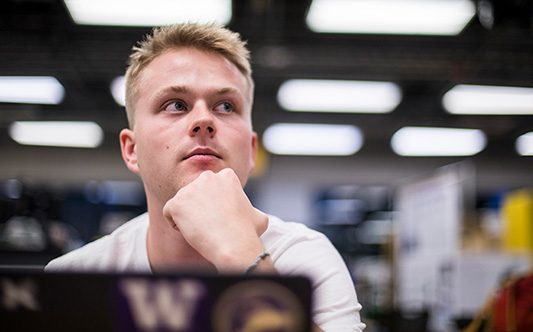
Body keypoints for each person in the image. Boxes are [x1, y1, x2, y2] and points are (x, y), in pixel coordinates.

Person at [45, 23, 365, 331]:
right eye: (175, 104)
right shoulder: (74, 279)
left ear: (252, 151)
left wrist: (241, 256)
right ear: (132, 150)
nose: (203, 119)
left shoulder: (303, 258)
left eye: (225, 105)